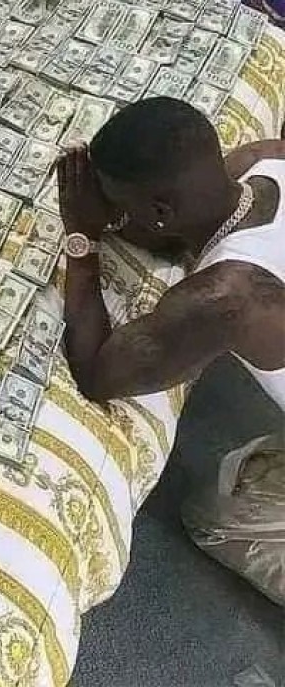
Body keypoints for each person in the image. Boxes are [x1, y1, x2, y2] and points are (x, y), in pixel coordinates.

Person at [57, 96, 284, 605]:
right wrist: (117, 211)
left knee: (212, 516)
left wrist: (82, 237)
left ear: (160, 210)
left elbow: (97, 373)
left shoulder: (226, 296)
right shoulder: (265, 157)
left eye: (124, 204)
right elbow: (179, 234)